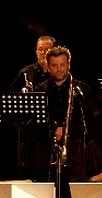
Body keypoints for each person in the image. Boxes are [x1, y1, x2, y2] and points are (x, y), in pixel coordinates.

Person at [39, 45, 98, 184]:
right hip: (47, 149)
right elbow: (36, 123)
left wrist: (67, 130)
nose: (59, 69)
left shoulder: (81, 89)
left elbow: (90, 120)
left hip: (76, 150)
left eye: (62, 64)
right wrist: (53, 130)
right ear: (47, 66)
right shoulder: (41, 89)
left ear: (68, 64)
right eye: (54, 65)